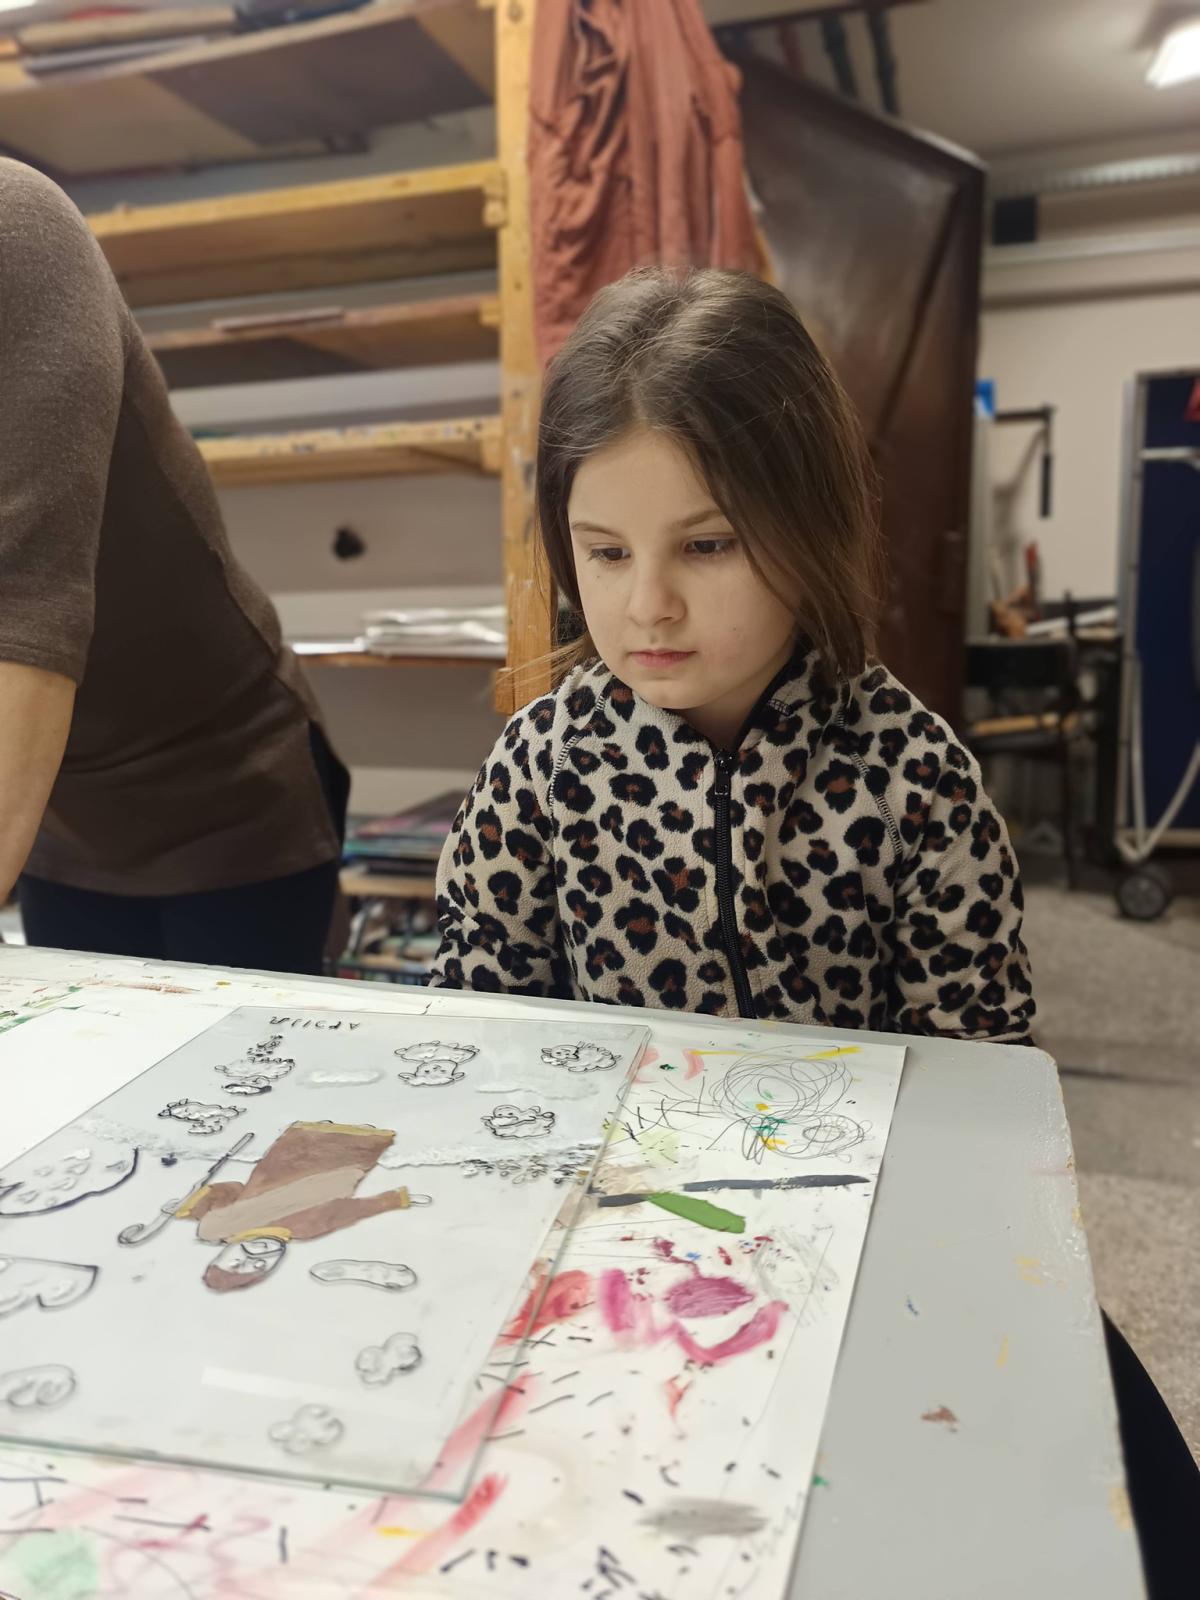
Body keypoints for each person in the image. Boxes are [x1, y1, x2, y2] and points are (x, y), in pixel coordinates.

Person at [429, 266, 1035, 1040]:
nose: (649, 605)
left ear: (812, 522)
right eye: (608, 553)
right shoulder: (539, 767)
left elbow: (981, 1058)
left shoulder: (913, 777)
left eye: (708, 545)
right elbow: (478, 1024)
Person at [0, 158, 348, 974]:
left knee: (238, 1059)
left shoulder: (17, 227)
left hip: (223, 790)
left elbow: (25, 614)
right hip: (62, 807)